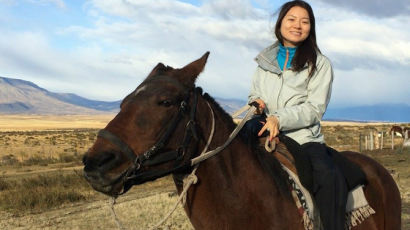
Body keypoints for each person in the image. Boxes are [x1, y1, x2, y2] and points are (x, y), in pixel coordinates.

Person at [242, 1, 347, 230]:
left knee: (326, 176)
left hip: (303, 137)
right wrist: (257, 103)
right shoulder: (264, 63)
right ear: (280, 23)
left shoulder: (320, 64)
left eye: (305, 21)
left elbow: (314, 108)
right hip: (264, 129)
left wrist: (279, 118)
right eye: (291, 19)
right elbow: (255, 93)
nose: (297, 25)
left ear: (311, 27)